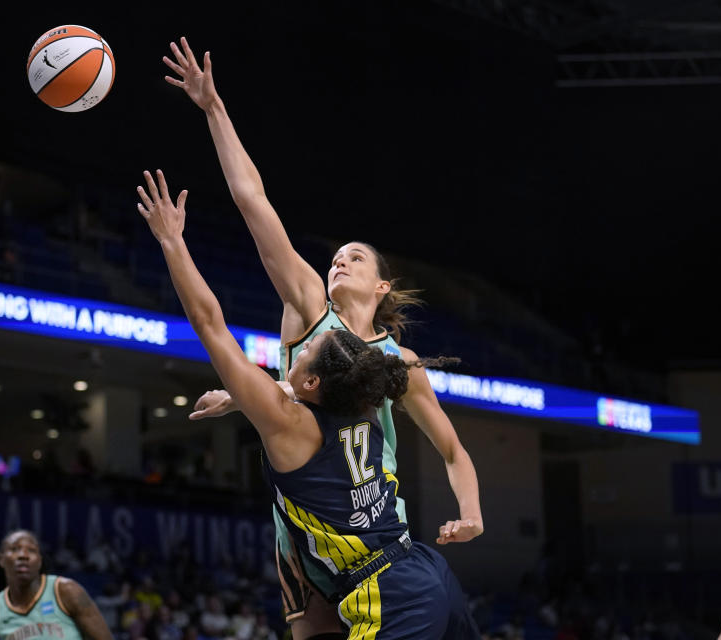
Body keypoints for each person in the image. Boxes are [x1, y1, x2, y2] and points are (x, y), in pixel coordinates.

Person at [164, 36, 483, 639]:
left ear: (383, 285)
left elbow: (453, 451)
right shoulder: (310, 310)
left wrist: (470, 513)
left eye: (354, 258)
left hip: (375, 532)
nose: (339, 262)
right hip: (305, 524)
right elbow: (251, 200)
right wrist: (214, 109)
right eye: (335, 256)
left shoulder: (398, 362)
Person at [0, 530, 113, 640]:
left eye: (31, 550)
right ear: (1, 559)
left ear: (39, 560)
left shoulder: (66, 591)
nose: (23, 555)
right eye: (14, 549)